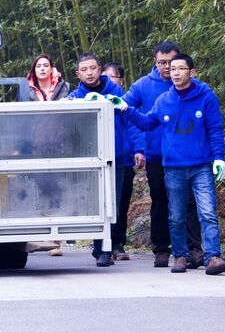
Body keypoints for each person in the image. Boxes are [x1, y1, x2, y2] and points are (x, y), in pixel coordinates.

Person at [118, 53, 225, 275]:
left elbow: (216, 129)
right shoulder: (164, 100)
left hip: (201, 166)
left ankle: (213, 257)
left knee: (207, 212)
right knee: (176, 214)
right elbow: (146, 123)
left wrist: (219, 157)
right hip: (173, 167)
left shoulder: (206, 97)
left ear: (192, 72)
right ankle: (180, 256)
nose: (176, 72)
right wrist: (125, 108)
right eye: (172, 68)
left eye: (181, 68)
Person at [122, 41, 203, 268]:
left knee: (189, 203)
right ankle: (161, 248)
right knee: (161, 201)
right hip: (157, 155)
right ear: (155, 62)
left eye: (172, 63)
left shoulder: (194, 87)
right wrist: (138, 145)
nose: (168, 68)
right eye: (162, 63)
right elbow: (126, 110)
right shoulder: (142, 86)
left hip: (188, 157)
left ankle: (194, 248)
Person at [68, 54, 141, 267]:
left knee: (114, 205)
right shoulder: (75, 97)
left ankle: (106, 247)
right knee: (94, 204)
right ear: (78, 74)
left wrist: (139, 148)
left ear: (99, 69)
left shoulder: (117, 93)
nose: (89, 72)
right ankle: (101, 249)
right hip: (88, 158)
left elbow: (132, 122)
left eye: (93, 68)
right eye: (84, 69)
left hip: (115, 157)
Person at [27, 54, 71, 256]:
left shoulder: (65, 88)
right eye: (39, 66)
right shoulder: (26, 91)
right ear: (34, 70)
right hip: (36, 146)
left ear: (52, 68)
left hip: (59, 145)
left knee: (57, 189)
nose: (42, 69)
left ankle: (55, 240)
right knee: (41, 188)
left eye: (46, 65)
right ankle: (42, 232)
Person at [102, 62, 145, 260]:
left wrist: (138, 149)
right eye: (106, 77)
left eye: (114, 77)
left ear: (121, 80)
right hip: (101, 159)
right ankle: (103, 244)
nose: (110, 81)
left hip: (123, 159)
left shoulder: (123, 101)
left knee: (120, 203)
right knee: (102, 203)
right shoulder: (94, 98)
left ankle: (118, 244)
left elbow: (133, 126)